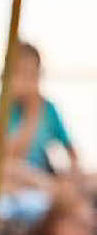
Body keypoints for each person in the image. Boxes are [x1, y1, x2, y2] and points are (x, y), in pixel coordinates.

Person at [8, 41, 79, 177]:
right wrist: (32, 113)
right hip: (17, 176)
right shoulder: (3, 110)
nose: (27, 82)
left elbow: (70, 149)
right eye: (22, 74)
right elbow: (13, 155)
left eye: (33, 75)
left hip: (45, 173)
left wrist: (74, 172)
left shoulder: (48, 109)